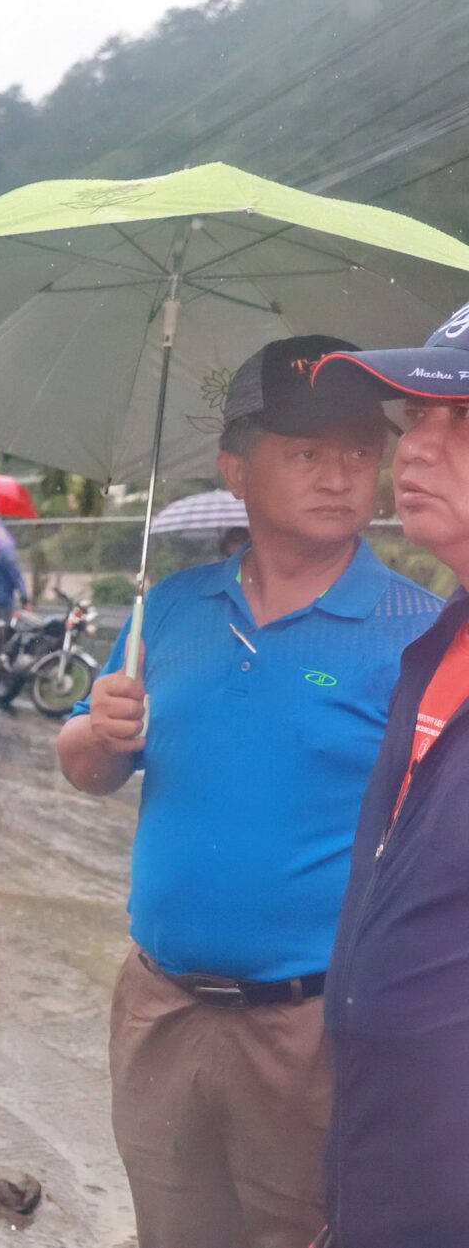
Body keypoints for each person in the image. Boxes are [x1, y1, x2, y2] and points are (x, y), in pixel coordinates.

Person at [56, 336, 441, 1248]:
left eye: (359, 452)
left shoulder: (416, 633)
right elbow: (82, 764)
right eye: (306, 452)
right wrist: (98, 732)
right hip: (159, 1010)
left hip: (311, 1032)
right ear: (237, 467)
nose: (340, 475)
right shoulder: (173, 609)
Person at [309, 302, 469, 1246]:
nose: (413, 446)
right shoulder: (439, 644)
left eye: (460, 419)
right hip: (390, 1169)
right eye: (414, 418)